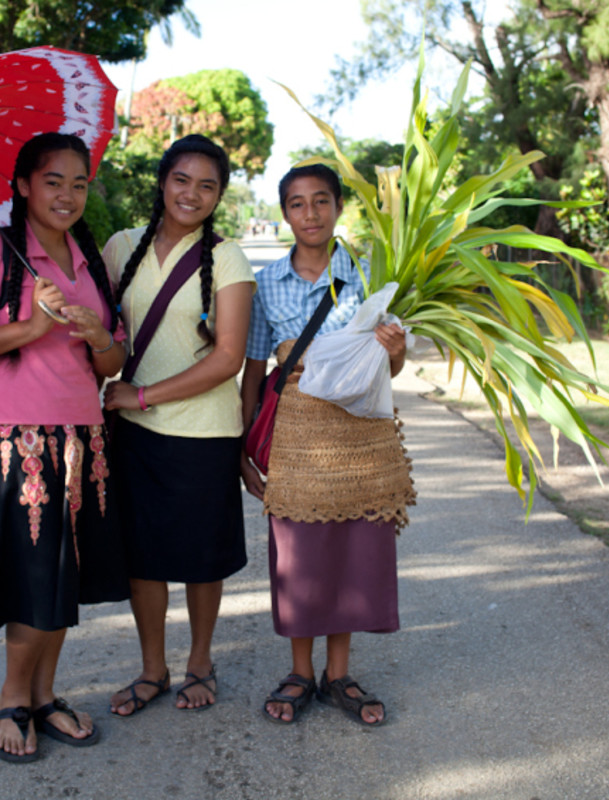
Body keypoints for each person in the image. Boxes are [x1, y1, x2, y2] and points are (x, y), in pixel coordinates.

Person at [0, 132, 129, 762]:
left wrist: (99, 335)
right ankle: (12, 698)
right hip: (13, 439)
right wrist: (30, 326)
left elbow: (111, 363)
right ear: (22, 186)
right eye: (53, 181)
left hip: (81, 438)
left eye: (79, 183)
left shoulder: (88, 260)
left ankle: (45, 696)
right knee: (33, 575)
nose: (67, 195)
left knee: (63, 575)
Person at [240, 163, 416, 726]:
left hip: (359, 432)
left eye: (321, 201)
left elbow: (390, 367)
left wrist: (394, 352)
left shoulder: (370, 276)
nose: (310, 213)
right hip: (295, 436)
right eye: (297, 203)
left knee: (349, 547)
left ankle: (338, 674)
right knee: (299, 554)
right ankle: (301, 672)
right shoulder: (265, 283)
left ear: (339, 207)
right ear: (284, 212)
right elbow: (253, 371)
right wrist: (242, 450)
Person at [101, 134, 256, 715]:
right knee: (142, 558)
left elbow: (228, 358)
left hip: (205, 433)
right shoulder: (121, 248)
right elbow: (104, 333)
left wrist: (142, 395)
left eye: (207, 186)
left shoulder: (228, 257)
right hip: (134, 436)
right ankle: (152, 669)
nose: (192, 194)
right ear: (163, 182)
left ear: (218, 196)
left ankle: (200, 663)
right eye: (182, 180)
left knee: (200, 557)